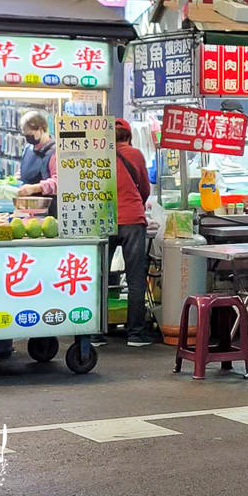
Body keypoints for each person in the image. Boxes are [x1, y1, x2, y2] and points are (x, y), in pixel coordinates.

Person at [112, 118, 152, 347]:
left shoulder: (99, 156)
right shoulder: (135, 154)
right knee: (135, 277)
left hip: (103, 221)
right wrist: (136, 204)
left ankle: (96, 333)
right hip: (132, 221)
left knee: (101, 277)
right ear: (128, 136)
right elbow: (145, 188)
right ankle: (136, 333)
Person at [16, 111, 58, 214]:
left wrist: (34, 188)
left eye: (30, 134)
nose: (28, 138)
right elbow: (23, 171)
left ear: (40, 129)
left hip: (48, 211)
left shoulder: (54, 152)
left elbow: (58, 182)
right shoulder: (28, 148)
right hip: (27, 209)